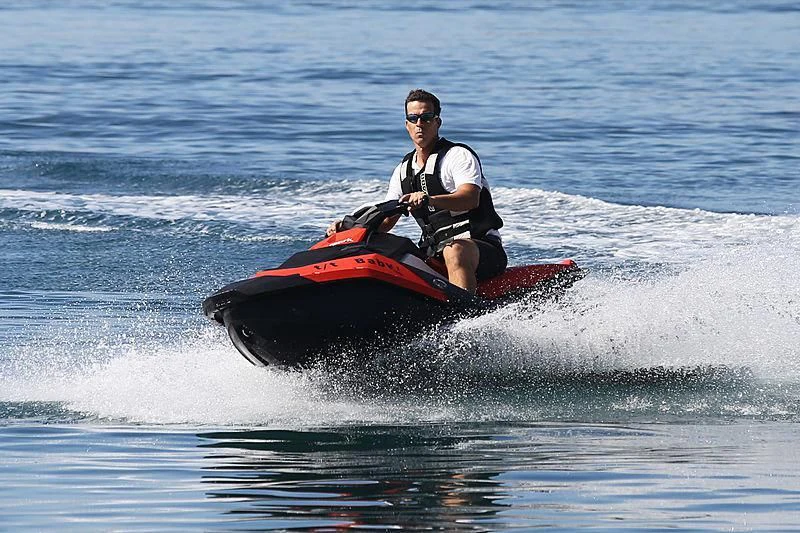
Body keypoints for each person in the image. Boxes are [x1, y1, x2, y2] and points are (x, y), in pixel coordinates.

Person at [328, 89, 506, 293]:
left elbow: (470, 198)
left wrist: (429, 200)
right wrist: (347, 228)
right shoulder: (403, 171)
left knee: (455, 250)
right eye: (413, 118)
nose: (419, 124)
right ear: (407, 125)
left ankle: (465, 319)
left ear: (437, 122)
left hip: (480, 249)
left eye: (426, 117)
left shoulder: (457, 156)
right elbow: (386, 222)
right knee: (388, 254)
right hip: (433, 255)